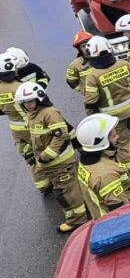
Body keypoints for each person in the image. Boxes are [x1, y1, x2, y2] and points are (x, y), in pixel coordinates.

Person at [16, 82, 87, 232]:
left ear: (39, 98)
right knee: (68, 190)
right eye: (25, 102)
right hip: (51, 164)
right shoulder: (33, 115)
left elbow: (61, 137)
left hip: (60, 163)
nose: (28, 105)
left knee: (65, 193)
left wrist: (45, 156)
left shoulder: (49, 113)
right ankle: (80, 213)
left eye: (31, 101)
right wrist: (31, 152)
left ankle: (77, 221)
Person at [82, 36, 130, 181]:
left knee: (124, 145)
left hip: (113, 117)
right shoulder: (124, 64)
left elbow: (91, 102)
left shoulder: (93, 76)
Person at [0, 51, 50, 193]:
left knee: (30, 158)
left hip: (16, 131)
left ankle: (43, 186)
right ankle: (55, 178)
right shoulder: (20, 87)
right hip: (33, 125)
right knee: (44, 151)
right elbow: (41, 104)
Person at [75, 114, 130, 219]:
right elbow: (120, 211)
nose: (118, 137)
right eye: (113, 136)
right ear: (102, 143)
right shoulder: (107, 175)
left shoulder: (88, 159)